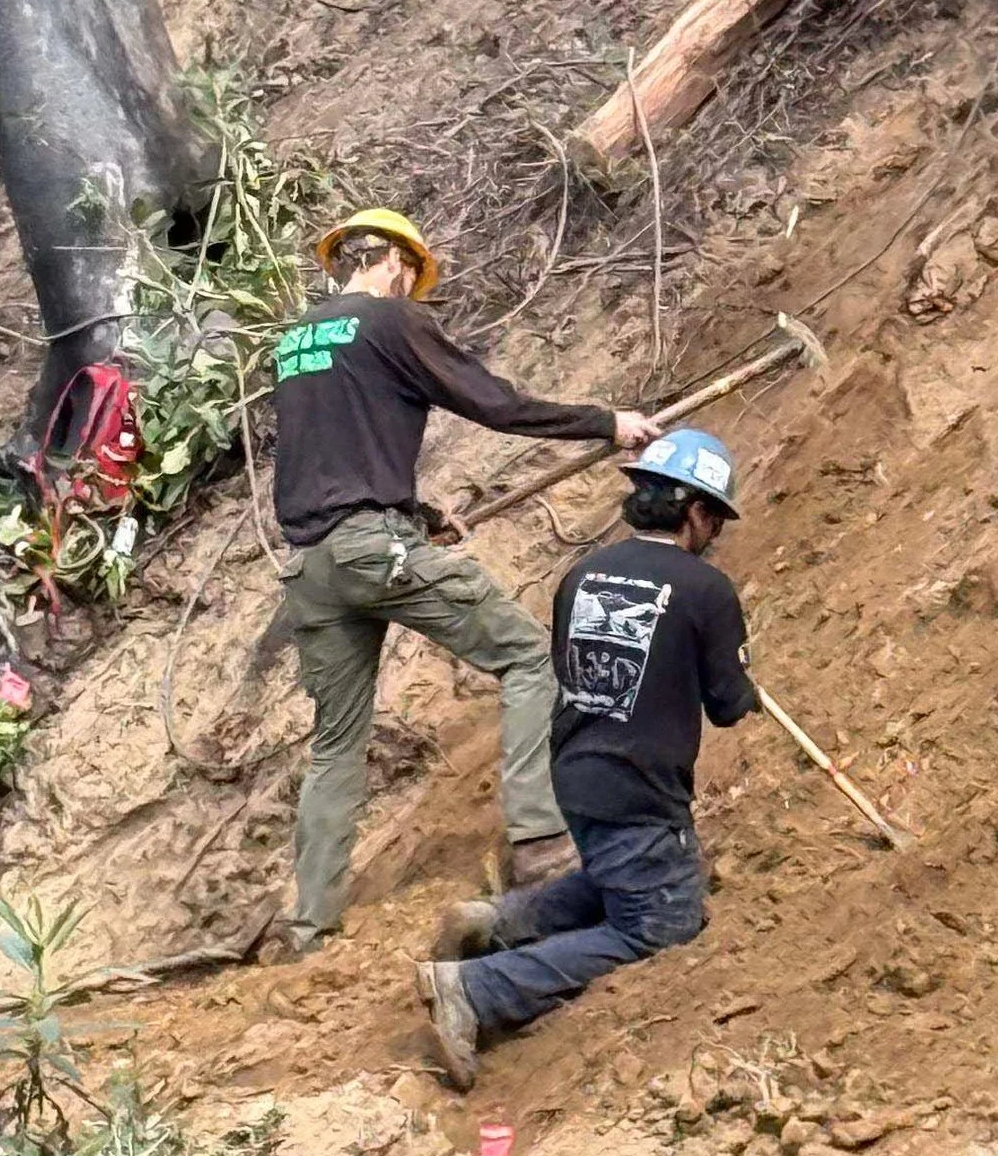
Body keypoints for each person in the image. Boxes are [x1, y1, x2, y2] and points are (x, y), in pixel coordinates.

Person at [271, 208, 658, 952]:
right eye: (416, 277)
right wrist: (605, 422)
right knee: (528, 658)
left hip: (313, 567)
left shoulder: (295, 342)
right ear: (401, 265)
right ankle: (540, 842)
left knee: (336, 745)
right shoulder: (391, 322)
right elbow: (495, 403)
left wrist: (414, 515)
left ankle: (309, 924)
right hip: (370, 549)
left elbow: (330, 456)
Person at [416, 428, 758, 1086]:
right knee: (659, 923)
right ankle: (475, 989)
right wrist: (740, 673)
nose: (714, 529)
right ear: (692, 510)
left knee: (619, 872)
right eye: (713, 514)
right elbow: (728, 704)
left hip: (574, 771)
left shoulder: (583, 574)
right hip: (639, 785)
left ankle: (498, 922)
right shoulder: (706, 590)